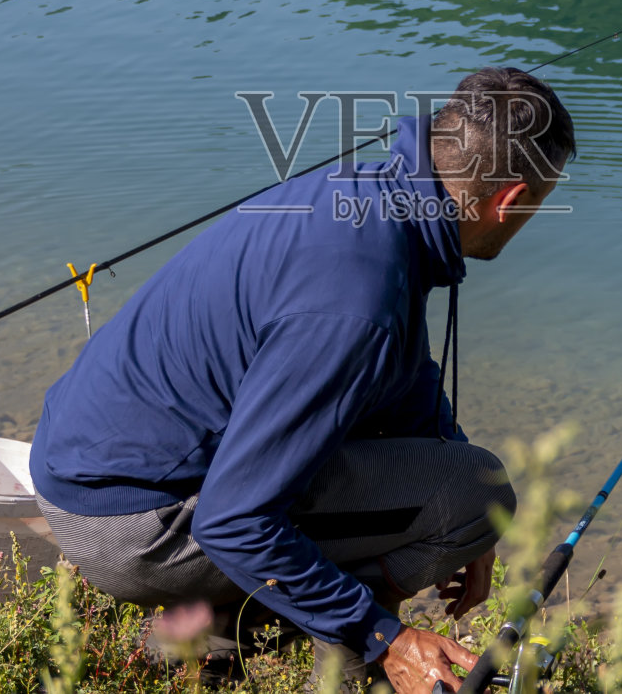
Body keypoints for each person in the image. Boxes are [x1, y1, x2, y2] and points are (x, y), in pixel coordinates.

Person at [29, 67, 575, 694]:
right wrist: (384, 636)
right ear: (509, 200)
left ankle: (220, 629)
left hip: (88, 469)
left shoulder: (374, 197)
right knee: (475, 491)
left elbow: (406, 379)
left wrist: (474, 529)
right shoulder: (357, 298)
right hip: (130, 522)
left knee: (469, 489)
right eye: (538, 203)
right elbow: (234, 519)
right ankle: (265, 643)